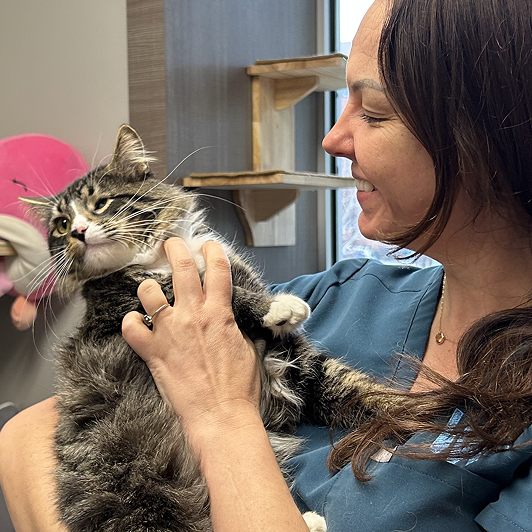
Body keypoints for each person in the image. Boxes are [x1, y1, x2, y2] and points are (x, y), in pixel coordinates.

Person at [1, 0, 532, 530]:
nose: (331, 139)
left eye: (372, 112)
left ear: (488, 131)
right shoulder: (334, 295)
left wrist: (221, 417)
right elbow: (23, 437)